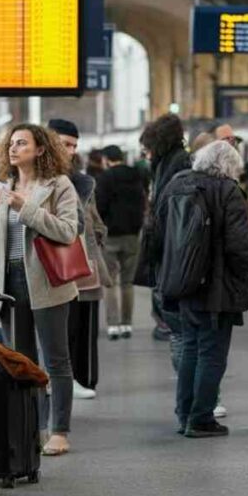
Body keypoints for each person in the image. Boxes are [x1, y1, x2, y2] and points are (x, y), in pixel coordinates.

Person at [154, 141, 248, 438]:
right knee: (212, 353)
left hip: (182, 282)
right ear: (229, 166)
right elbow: (238, 246)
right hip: (216, 287)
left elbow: (157, 232)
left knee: (191, 349)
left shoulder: (177, 185)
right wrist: (246, 267)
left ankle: (185, 413)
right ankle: (201, 418)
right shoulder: (228, 191)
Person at [0, 123, 79, 456]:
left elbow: (68, 232)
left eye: (22, 143)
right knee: (22, 360)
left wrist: (24, 208)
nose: (14, 149)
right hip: (10, 281)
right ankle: (31, 427)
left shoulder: (59, 186)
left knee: (56, 360)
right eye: (12, 143)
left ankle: (59, 430)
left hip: (47, 281)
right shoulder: (4, 186)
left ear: (40, 149)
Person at [48, 118, 111, 400]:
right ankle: (62, 377)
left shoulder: (81, 180)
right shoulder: (41, 177)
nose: (71, 151)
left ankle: (81, 377)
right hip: (52, 258)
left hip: (81, 259)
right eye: (65, 144)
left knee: (82, 322)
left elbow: (91, 214)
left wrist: (98, 233)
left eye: (74, 145)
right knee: (58, 325)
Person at [138, 115, 192, 366]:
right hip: (165, 251)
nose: (146, 154)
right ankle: (188, 396)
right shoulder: (166, 163)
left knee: (180, 332)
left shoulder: (177, 164)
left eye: (148, 148)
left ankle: (190, 397)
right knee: (178, 331)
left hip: (171, 252)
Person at [96, 145, 146, 340]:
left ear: (107, 159)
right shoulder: (136, 176)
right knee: (127, 282)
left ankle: (113, 325)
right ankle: (127, 324)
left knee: (110, 283)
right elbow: (143, 203)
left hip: (111, 237)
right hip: (132, 236)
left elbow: (100, 206)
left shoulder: (105, 178)